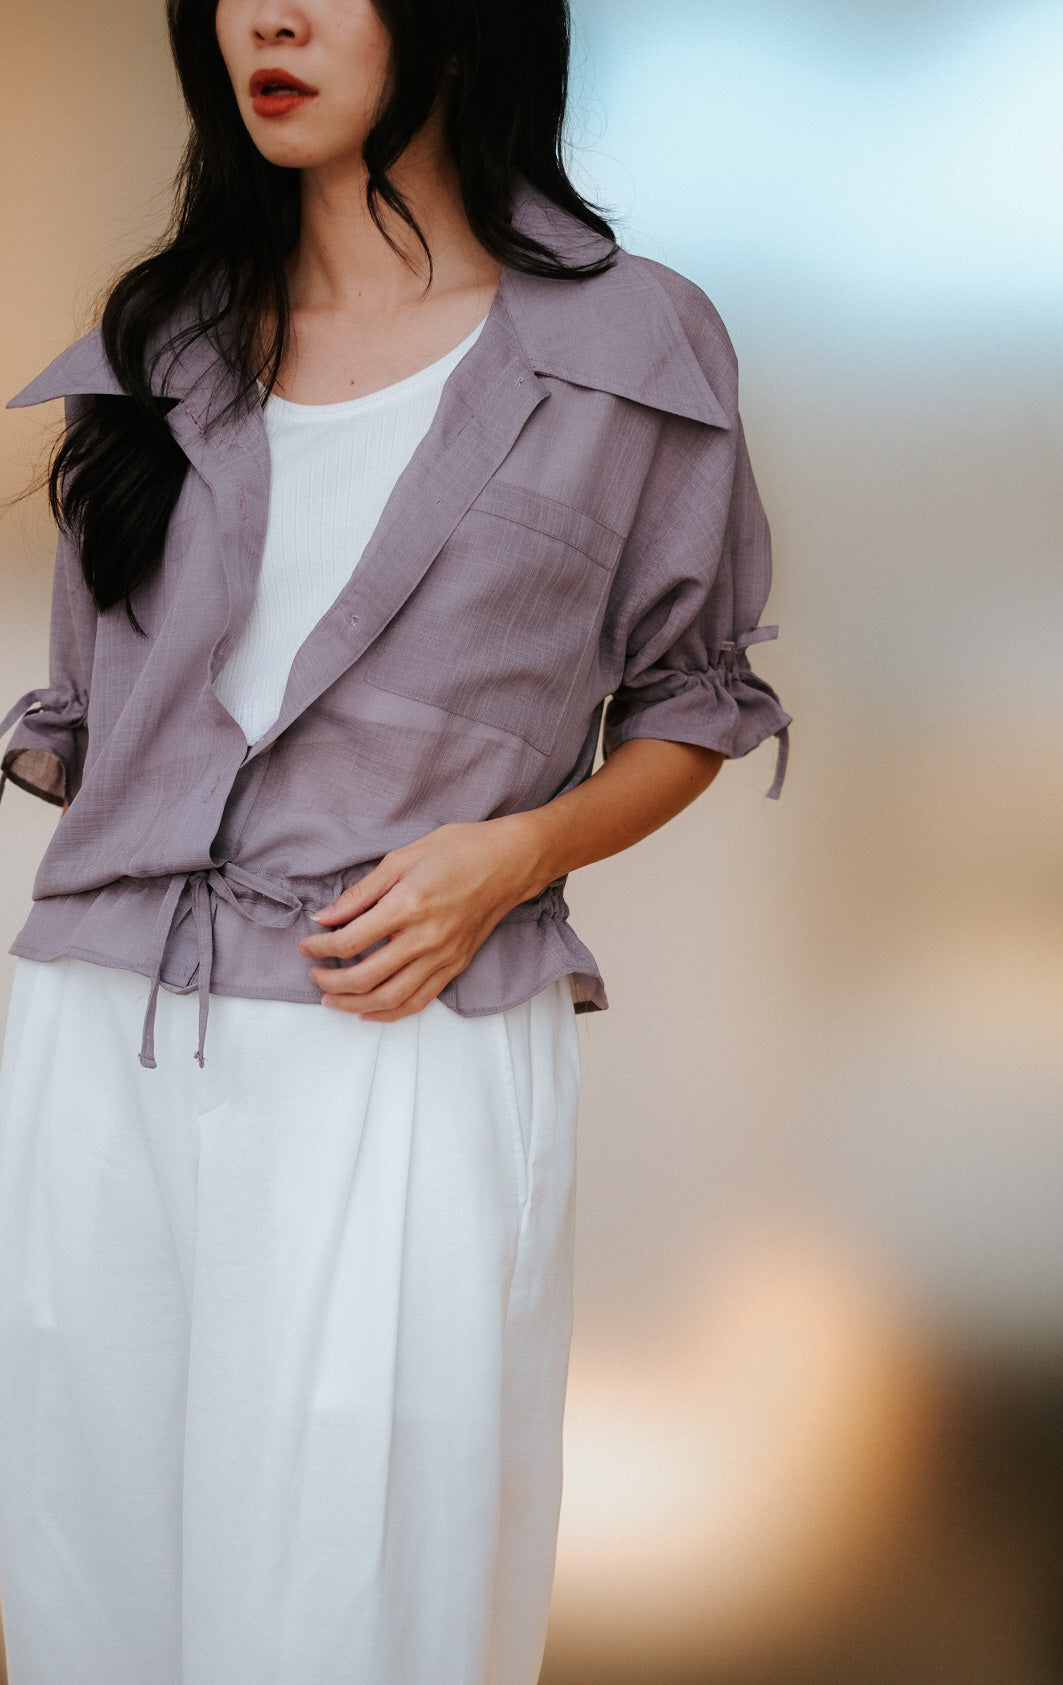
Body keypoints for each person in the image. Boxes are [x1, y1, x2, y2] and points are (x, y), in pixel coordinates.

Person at [0, 1, 792, 1681]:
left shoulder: (629, 346)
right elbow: (87, 723)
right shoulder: (169, 338)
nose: (266, 17)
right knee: (95, 1590)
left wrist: (505, 856)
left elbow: (692, 705)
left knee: (355, 1612)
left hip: (399, 1038)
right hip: (99, 1045)